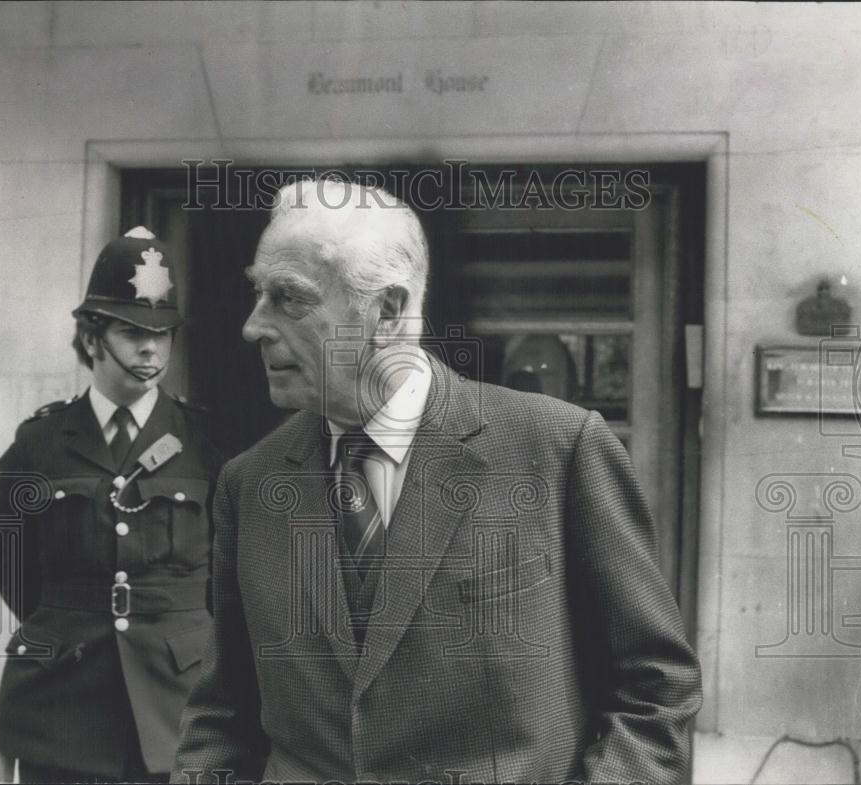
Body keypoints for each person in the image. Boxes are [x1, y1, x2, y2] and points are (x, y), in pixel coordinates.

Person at [172, 180, 702, 784]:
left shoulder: (556, 450)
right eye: (257, 293)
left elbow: (656, 689)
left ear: (388, 311)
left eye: (289, 298)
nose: (253, 326)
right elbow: (222, 714)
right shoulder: (250, 483)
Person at [0, 227, 219, 783]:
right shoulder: (37, 446)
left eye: (163, 335)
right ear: (92, 339)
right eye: (131, 331)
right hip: (63, 707)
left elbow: (224, 582)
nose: (150, 349)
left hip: (178, 703)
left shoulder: (208, 445)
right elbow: (17, 578)